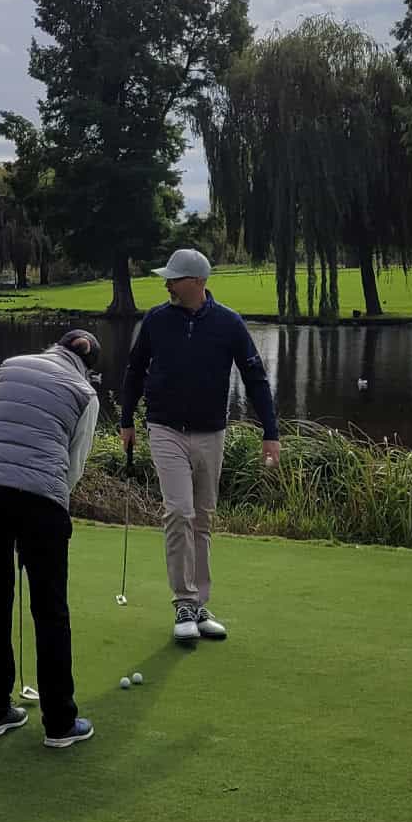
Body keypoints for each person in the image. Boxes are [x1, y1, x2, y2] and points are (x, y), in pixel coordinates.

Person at [117, 248, 279, 645]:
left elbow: (255, 378)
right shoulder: (156, 320)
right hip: (165, 428)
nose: (167, 283)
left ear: (196, 282)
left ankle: (200, 604)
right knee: (179, 512)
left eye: (173, 278)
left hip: (211, 432)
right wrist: (125, 419)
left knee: (203, 519)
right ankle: (184, 604)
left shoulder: (228, 323)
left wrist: (270, 431)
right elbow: (135, 369)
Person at [0, 329, 102, 749]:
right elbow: (73, 467)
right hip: (40, 498)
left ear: (56, 346)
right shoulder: (84, 392)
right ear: (88, 366)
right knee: (50, 609)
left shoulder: (9, 366)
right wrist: (51, 509)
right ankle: (59, 723)